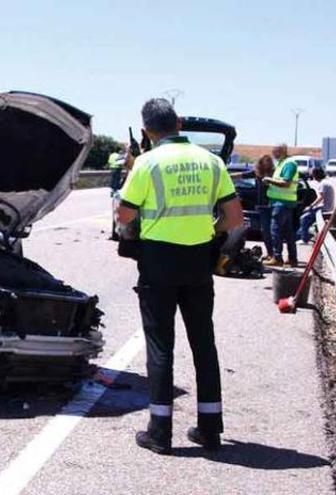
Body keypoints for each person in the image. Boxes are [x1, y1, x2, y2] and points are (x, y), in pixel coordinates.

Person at [117, 99, 243, 454]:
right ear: (180, 122)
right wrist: (210, 234)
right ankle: (210, 428)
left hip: (158, 262)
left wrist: (132, 175)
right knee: (204, 343)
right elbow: (234, 218)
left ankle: (160, 432)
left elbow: (124, 216)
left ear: (146, 132)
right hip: (199, 261)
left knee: (160, 346)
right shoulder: (211, 161)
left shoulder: (146, 163)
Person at [263, 144, 299, 267]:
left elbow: (286, 183)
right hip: (283, 203)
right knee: (288, 233)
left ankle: (277, 258)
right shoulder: (282, 163)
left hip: (281, 204)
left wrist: (269, 180)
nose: (273, 154)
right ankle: (292, 259)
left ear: (282, 151)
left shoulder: (289, 164)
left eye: (275, 151)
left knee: (275, 231)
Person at [233, 155, 275, 260]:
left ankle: (273, 255)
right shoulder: (257, 173)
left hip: (271, 205)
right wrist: (226, 175)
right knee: (265, 231)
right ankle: (271, 254)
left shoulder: (274, 174)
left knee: (270, 231)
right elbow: (241, 175)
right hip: (262, 206)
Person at [296, 167, 334, 243]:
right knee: (307, 215)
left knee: (303, 218)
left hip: (325, 208)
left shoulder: (323, 184)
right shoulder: (326, 183)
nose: (312, 176)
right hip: (328, 207)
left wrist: (311, 206)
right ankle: (307, 235)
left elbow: (320, 197)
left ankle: (304, 239)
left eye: (313, 174)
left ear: (316, 175)